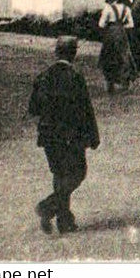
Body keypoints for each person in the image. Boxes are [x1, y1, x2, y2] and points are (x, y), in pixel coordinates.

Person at [28, 36, 100, 235]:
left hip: (48, 135)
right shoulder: (75, 77)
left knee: (60, 174)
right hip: (71, 135)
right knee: (77, 173)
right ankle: (48, 206)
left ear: (56, 52)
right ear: (74, 53)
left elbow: (33, 108)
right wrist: (93, 136)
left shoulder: (43, 76)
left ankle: (64, 220)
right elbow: (85, 109)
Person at [96, 0, 137, 94]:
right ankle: (125, 83)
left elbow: (101, 24)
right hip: (122, 33)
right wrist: (121, 26)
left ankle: (110, 83)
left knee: (109, 56)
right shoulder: (126, 8)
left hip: (110, 33)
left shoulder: (108, 8)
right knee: (124, 56)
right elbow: (131, 25)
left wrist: (109, 26)